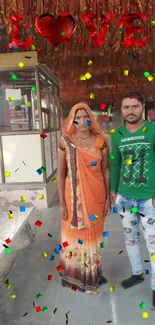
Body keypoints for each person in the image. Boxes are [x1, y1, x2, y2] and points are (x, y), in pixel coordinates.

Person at [57, 102, 111, 294]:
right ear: (72, 120)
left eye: (85, 117)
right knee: (73, 237)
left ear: (91, 119)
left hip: (96, 196)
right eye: (77, 117)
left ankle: (92, 274)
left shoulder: (100, 141)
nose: (82, 121)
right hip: (73, 199)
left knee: (94, 237)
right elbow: (61, 173)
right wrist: (62, 204)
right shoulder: (66, 142)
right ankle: (72, 275)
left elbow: (105, 170)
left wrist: (108, 199)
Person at [110, 91, 155, 306]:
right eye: (126, 107)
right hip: (125, 198)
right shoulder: (116, 135)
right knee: (130, 240)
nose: (130, 111)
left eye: (134, 106)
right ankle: (137, 273)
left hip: (148, 199)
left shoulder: (153, 131)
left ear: (142, 107)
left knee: (153, 246)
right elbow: (116, 164)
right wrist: (113, 191)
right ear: (122, 110)